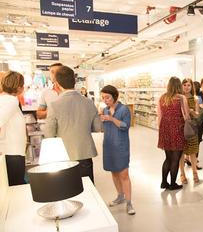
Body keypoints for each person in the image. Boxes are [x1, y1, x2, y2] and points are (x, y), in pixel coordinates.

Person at [44, 66, 102, 183]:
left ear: (57, 83)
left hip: (63, 154)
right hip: (85, 153)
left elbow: (49, 134)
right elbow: (98, 127)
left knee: (68, 188)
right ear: (74, 82)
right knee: (88, 187)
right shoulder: (89, 102)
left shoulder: (54, 105)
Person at [100, 85, 135, 215]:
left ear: (115, 96)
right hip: (109, 145)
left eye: (107, 97)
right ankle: (120, 196)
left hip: (121, 145)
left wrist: (112, 119)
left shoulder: (124, 109)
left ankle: (129, 202)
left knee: (124, 174)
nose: (105, 100)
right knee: (114, 173)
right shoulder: (104, 110)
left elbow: (125, 126)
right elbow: (104, 128)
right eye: (103, 97)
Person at [157, 77, 188, 191]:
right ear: (179, 85)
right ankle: (173, 184)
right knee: (176, 158)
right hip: (178, 128)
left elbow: (159, 116)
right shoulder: (181, 98)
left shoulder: (162, 98)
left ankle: (164, 182)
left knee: (168, 158)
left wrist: (161, 130)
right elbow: (186, 116)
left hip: (165, 128)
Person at [0, 71, 26, 186]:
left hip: (11, 152)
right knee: (15, 187)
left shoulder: (5, 100)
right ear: (18, 86)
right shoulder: (10, 101)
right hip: (12, 153)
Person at [179, 78, 200, 184]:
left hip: (191, 128)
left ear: (192, 87)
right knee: (181, 152)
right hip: (180, 128)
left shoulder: (195, 99)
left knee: (192, 151)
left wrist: (191, 112)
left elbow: (197, 114)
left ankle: (195, 173)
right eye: (185, 85)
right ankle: (182, 174)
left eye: (189, 85)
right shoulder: (178, 98)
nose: (187, 87)